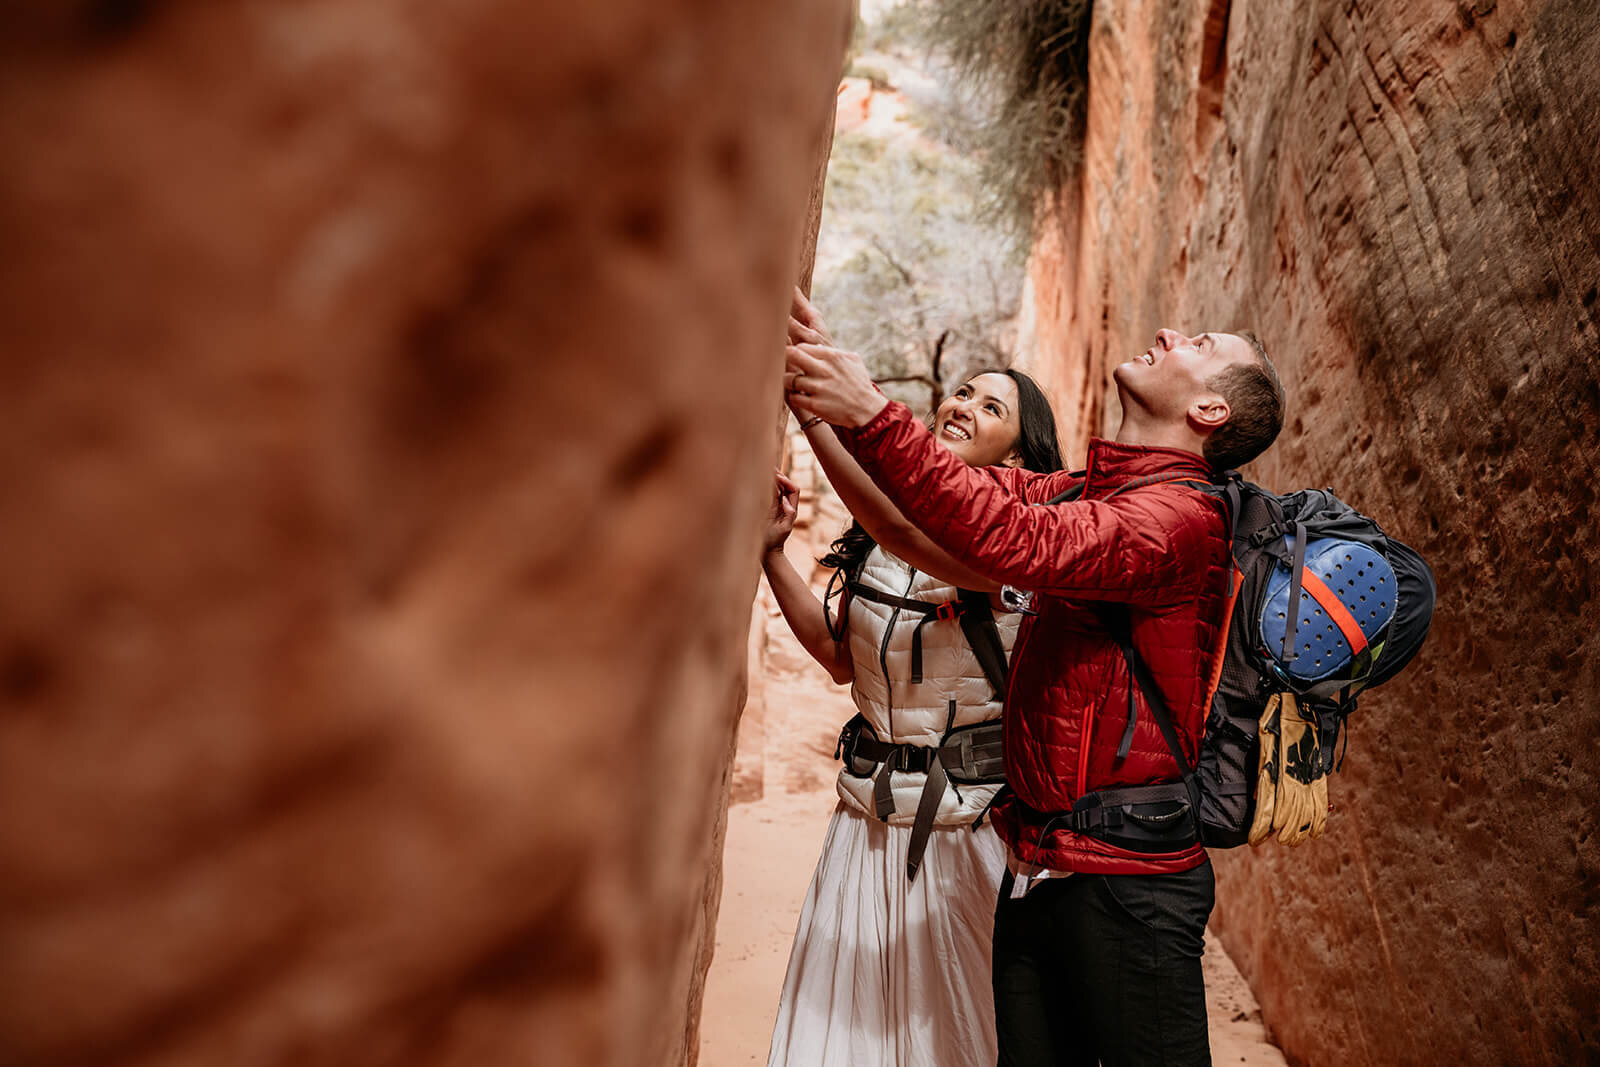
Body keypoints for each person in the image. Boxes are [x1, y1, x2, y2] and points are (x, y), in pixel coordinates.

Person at [784, 315, 1285, 1067]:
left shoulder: (1177, 519)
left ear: (1208, 411)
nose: (1174, 329)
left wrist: (869, 412)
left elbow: (1013, 539)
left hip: (1129, 887)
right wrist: (828, 388)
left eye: (1201, 346)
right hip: (1043, 860)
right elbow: (928, 511)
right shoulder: (1097, 489)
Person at [761, 296, 1065, 1067]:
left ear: (1019, 463)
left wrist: (817, 407)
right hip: (862, 825)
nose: (963, 403)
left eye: (991, 405)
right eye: (962, 390)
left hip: (965, 833)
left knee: (961, 1041)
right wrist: (771, 555)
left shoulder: (1013, 552)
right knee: (846, 1040)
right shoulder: (877, 543)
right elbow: (839, 658)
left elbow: (909, 526)